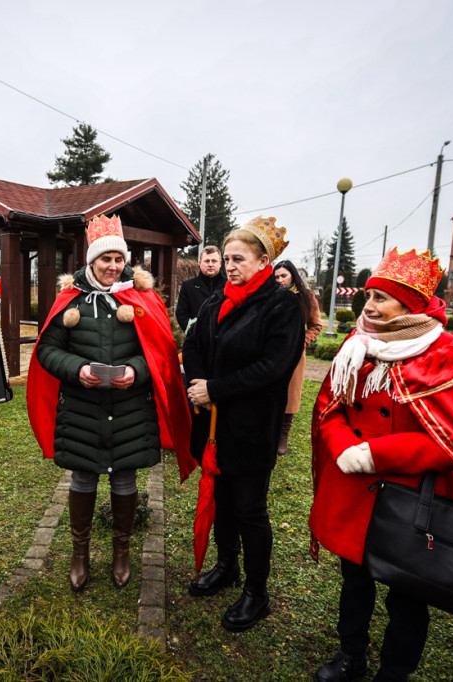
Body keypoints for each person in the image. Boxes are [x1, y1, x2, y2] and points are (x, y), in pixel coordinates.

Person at [309, 248, 453, 682]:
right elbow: (331, 408)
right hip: (354, 489)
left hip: (414, 497)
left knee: (408, 595)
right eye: (369, 296)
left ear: (411, 304)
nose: (370, 307)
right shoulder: (357, 344)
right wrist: (343, 446)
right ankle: (351, 654)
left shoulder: (451, 352)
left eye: (381, 298)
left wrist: (379, 455)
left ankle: (395, 672)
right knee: (354, 581)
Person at [28, 214, 193, 592]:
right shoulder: (70, 300)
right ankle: (80, 553)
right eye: (106, 259)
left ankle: (122, 552)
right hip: (83, 408)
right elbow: (48, 351)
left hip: (131, 407)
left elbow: (163, 352)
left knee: (124, 477)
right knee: (83, 476)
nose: (114, 266)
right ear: (91, 261)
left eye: (119, 259)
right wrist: (78, 368)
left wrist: (137, 369)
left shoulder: (143, 297)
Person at [182, 216, 304, 632]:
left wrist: (216, 388)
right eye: (227, 258)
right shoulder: (217, 300)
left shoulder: (283, 305)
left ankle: (257, 592)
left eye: (239, 259)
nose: (230, 266)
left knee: (250, 509)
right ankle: (226, 567)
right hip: (214, 427)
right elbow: (193, 344)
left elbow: (273, 367)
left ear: (263, 261)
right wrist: (198, 384)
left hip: (252, 427)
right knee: (223, 502)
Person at [273, 259, 323, 455]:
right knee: (272, 389)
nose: (280, 280)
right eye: (276, 277)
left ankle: (283, 435)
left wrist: (301, 342)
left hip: (294, 353)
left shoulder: (307, 297)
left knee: (291, 393)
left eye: (283, 276)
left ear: (293, 275)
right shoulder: (270, 296)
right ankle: (271, 431)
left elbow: (316, 325)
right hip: (272, 351)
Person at [175, 245, 224, 332]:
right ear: (200, 263)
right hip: (196, 341)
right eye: (207, 261)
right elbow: (181, 314)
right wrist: (195, 333)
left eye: (214, 261)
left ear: (220, 263)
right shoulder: (188, 286)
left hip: (224, 340)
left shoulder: (230, 285)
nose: (210, 264)